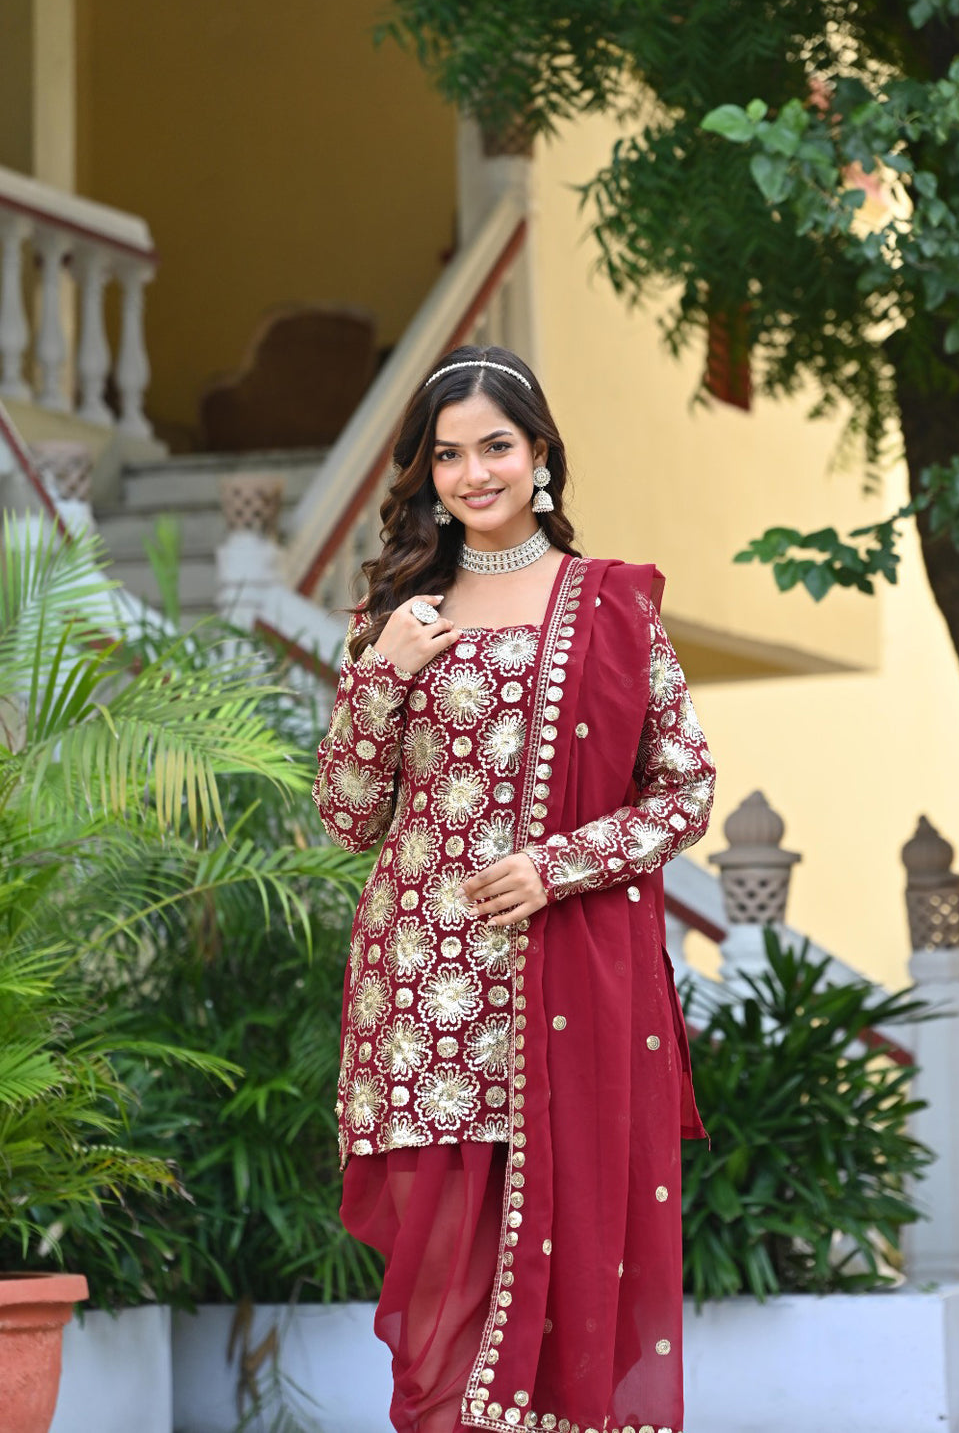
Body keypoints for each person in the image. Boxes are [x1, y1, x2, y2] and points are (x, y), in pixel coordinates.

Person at [313, 344, 715, 1433]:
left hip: (562, 984)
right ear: (425, 473)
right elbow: (350, 814)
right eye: (448, 454)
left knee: (562, 1267)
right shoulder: (397, 614)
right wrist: (385, 667)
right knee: (443, 1288)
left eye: (495, 445)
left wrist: (553, 866)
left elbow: (683, 791)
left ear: (539, 455)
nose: (473, 472)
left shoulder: (612, 609)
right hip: (423, 995)